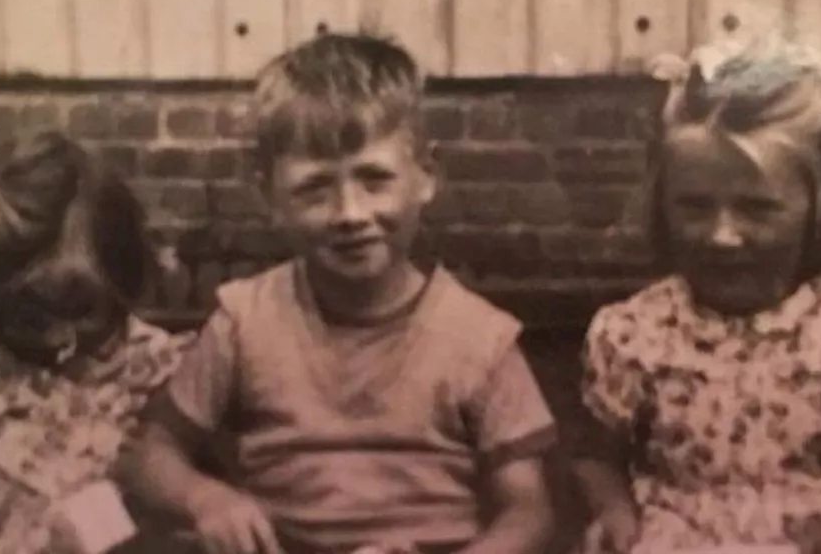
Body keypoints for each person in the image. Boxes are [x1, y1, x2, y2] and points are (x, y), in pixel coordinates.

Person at [115, 33, 558, 554]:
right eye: (315, 188)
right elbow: (150, 453)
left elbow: (529, 510)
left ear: (425, 176)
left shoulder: (481, 340)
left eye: (375, 180)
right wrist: (206, 499)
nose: (350, 213)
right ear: (269, 195)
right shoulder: (247, 320)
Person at [569, 39, 821, 554]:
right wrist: (613, 511)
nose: (722, 234)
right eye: (695, 206)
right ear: (662, 204)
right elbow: (595, 457)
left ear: (820, 205)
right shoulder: (633, 333)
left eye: (757, 208)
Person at [0, 131, 193, 554]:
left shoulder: (152, 371)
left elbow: (169, 490)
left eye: (79, 308)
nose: (55, 334)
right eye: (25, 315)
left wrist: (96, 529)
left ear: (123, 276)